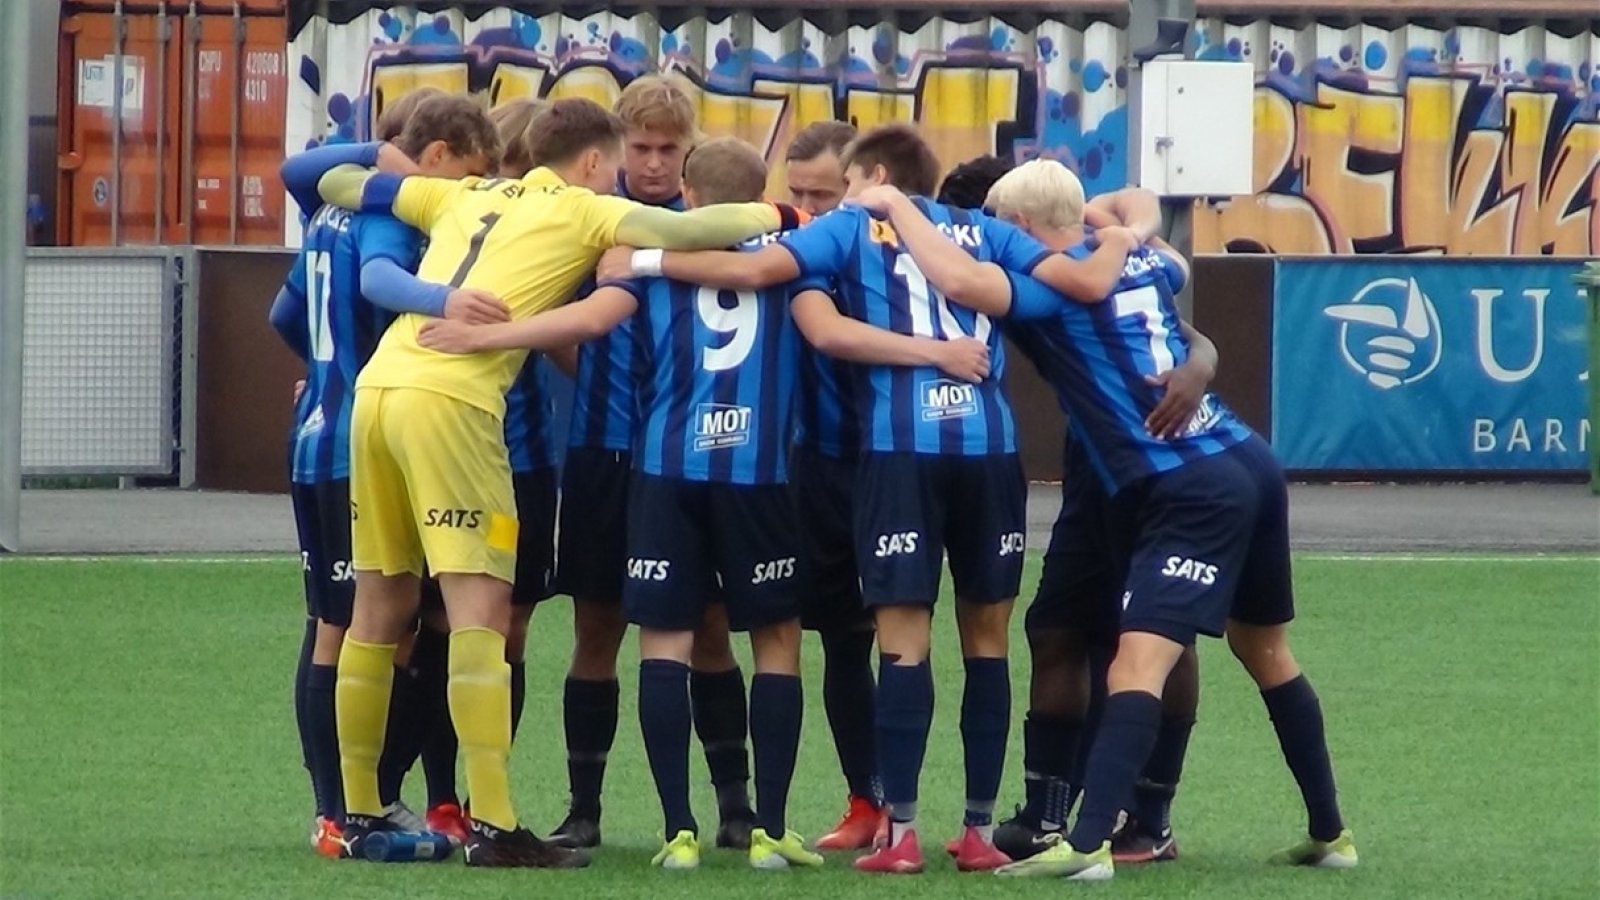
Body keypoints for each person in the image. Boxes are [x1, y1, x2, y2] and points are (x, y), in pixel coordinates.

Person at [596, 123, 1138, 874]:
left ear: (876, 177)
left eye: (844, 184)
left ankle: (901, 833)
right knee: (985, 640)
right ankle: (978, 829)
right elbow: (1078, 280)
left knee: (899, 642)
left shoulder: (849, 228)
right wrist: (1125, 234)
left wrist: (645, 258)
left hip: (898, 452)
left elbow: (773, 287)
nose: (835, 199)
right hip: (988, 450)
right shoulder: (987, 230)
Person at [300, 95, 798, 867]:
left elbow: (329, 182)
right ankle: (495, 826)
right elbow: (697, 230)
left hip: (378, 393)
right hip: (454, 401)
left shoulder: (460, 194)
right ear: (595, 162)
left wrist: (384, 164)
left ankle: (357, 814)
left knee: (379, 606)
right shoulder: (585, 211)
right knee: (480, 612)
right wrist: (788, 213)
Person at [855, 159, 1357, 880]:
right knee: (1265, 650)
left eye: (1001, 229)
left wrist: (893, 206)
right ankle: (1330, 832)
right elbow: (1140, 209)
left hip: (1188, 481)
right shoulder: (1144, 258)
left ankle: (1090, 845)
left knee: (1137, 662)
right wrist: (1121, 229)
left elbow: (961, 282)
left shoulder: (1048, 292)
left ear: (1020, 226)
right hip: (1246, 459)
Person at [934, 158, 1215, 864]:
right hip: (1094, 469)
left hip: (1154, 472)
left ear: (1016, 223)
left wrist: (1200, 363)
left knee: (1158, 635)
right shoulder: (1086, 263)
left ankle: (1148, 816)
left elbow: (1170, 305)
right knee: (1057, 627)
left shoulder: (1051, 272)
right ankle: (1049, 814)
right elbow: (1150, 237)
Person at [271, 91, 503, 859]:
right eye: (468, 174)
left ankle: (350, 807)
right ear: (433, 158)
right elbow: (377, 283)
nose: (469, 194)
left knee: (345, 624)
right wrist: (448, 304)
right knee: (365, 627)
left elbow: (283, 315)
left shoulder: (327, 214)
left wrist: (323, 371)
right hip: (365, 445)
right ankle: (345, 811)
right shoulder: (392, 217)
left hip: (317, 436)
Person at [549, 76, 758, 852]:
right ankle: (584, 809)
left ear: (688, 152)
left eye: (669, 148)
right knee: (597, 627)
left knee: (709, 629)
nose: (654, 162)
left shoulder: (705, 227)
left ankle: (735, 805)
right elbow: (547, 314)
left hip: (690, 461)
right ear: (616, 148)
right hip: (602, 455)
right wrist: (596, 381)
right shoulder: (587, 222)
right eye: (640, 147)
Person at [408, 97, 563, 847]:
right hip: (467, 447)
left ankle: (477, 798)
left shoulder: (555, 231)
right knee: (451, 622)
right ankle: (445, 798)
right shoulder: (457, 225)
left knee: (503, 625)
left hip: (520, 460)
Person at [778, 120, 888, 851]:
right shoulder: (785, 250)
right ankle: (865, 802)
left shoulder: (900, 249)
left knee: (905, 638)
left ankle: (911, 809)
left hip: (897, 460)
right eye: (798, 194)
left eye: (823, 194)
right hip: (816, 466)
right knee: (843, 640)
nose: (809, 209)